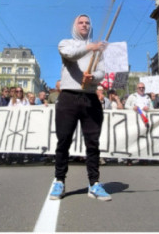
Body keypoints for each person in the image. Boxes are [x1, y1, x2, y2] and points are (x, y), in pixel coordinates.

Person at [49, 14, 110, 201]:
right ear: (74, 26)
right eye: (80, 22)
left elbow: (102, 71)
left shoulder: (98, 50)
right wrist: (91, 47)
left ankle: (94, 183)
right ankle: (59, 180)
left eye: (87, 22)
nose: (84, 25)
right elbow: (71, 55)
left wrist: (94, 78)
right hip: (68, 97)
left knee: (93, 143)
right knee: (64, 140)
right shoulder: (65, 43)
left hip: (91, 98)